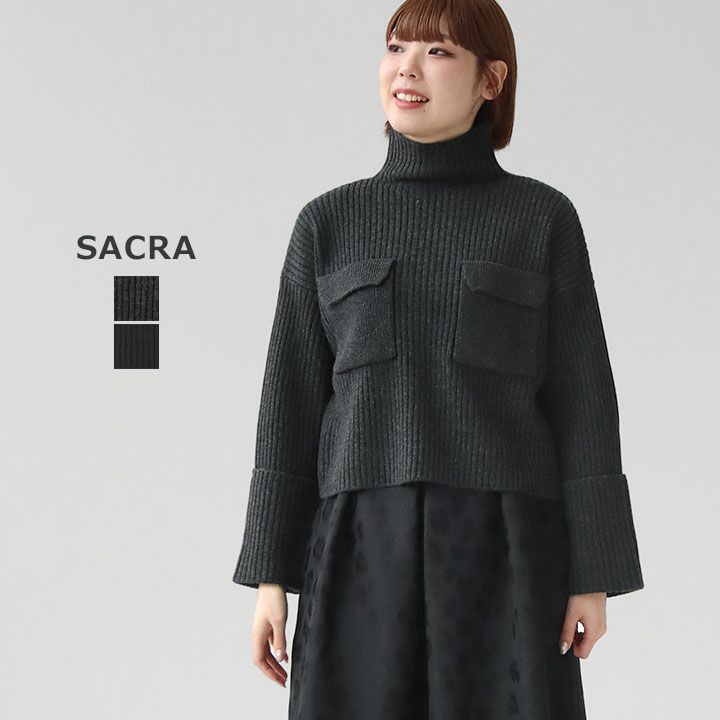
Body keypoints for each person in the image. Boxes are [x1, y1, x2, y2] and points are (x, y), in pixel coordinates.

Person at [232, 0, 645, 717]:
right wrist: (271, 575)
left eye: (439, 52)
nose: (408, 69)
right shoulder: (328, 223)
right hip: (359, 542)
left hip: (506, 545)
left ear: (492, 80)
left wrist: (594, 574)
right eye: (396, 48)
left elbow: (583, 400)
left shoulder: (541, 219)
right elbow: (289, 402)